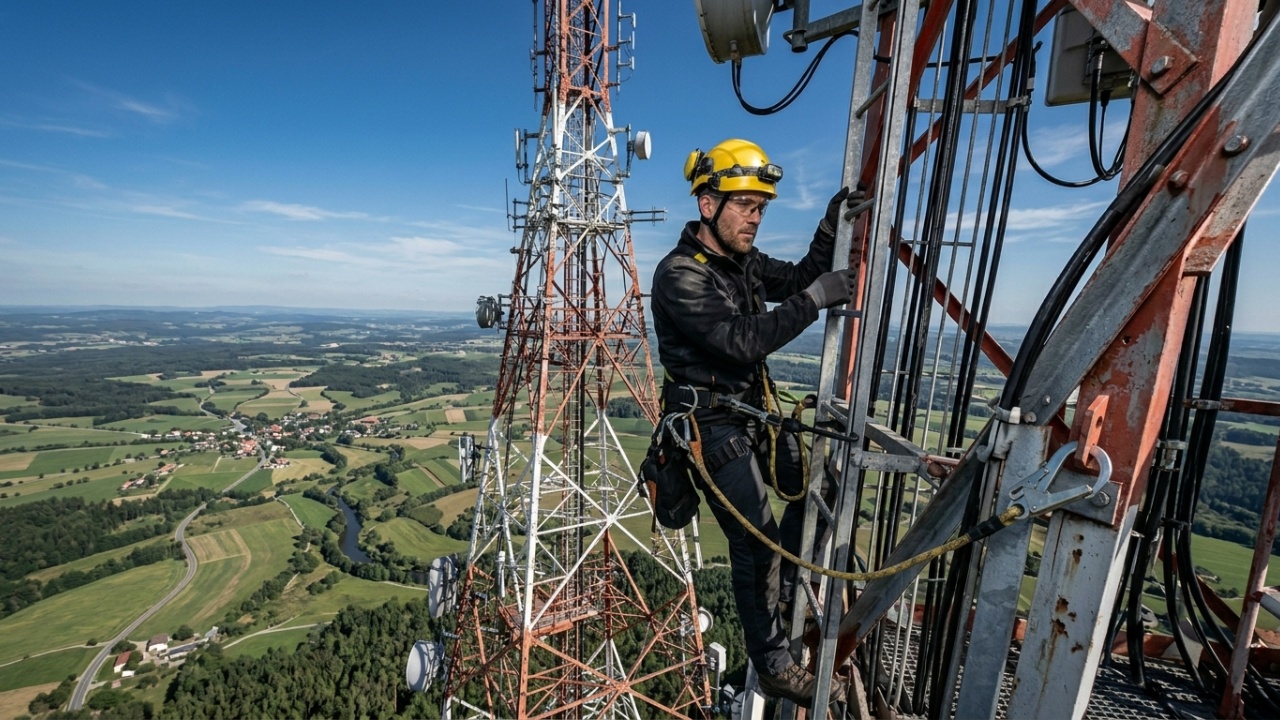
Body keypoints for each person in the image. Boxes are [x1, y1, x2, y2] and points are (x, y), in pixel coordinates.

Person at [649, 138, 855, 706]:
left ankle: (784, 596)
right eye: (746, 206)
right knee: (757, 541)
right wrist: (815, 301)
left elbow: (798, 278)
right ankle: (771, 663)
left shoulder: (740, 264)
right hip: (710, 426)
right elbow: (740, 342)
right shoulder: (679, 275)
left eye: (762, 208)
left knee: (812, 486)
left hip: (747, 413)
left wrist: (830, 225)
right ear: (708, 205)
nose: (756, 219)